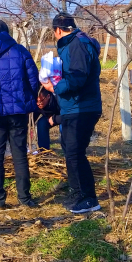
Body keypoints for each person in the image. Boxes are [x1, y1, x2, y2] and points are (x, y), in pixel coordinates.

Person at [38, 12, 103, 213]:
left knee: (75, 152)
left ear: (58, 30)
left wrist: (54, 88)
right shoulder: (75, 43)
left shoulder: (77, 45)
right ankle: (77, 190)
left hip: (81, 107)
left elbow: (77, 78)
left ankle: (89, 198)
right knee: (69, 148)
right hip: (74, 106)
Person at [0, 20, 40, 211]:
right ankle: (25, 198)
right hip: (18, 110)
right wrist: (29, 97)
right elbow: (33, 79)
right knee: (19, 155)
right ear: (8, 32)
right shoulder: (20, 51)